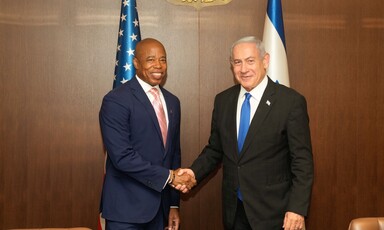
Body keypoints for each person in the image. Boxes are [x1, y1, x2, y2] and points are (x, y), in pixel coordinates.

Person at [177, 36, 314, 230]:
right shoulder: (223, 101)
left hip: (275, 214)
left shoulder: (290, 102)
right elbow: (215, 149)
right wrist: (193, 173)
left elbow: (302, 162)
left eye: (250, 61)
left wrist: (297, 208)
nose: (243, 69)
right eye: (237, 62)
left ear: (265, 61)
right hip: (234, 212)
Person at [99, 38, 195, 230]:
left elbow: (174, 154)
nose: (158, 65)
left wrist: (174, 204)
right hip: (126, 213)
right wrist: (170, 177)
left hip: (160, 211)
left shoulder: (172, 102)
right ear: (136, 63)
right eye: (150, 59)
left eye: (163, 59)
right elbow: (122, 157)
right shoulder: (116, 100)